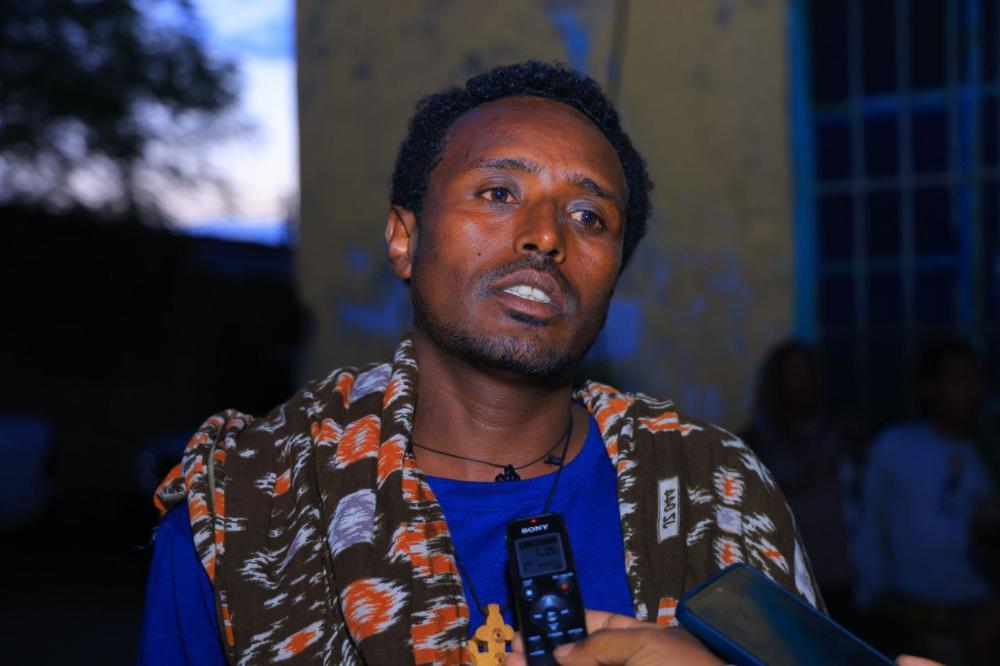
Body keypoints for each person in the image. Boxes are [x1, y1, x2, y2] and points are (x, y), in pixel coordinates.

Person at [138, 61, 824, 665]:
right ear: (404, 240)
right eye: (498, 192)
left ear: (615, 274)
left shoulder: (718, 491)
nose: (546, 236)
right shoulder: (246, 515)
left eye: (590, 217)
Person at [853, 337, 999, 665]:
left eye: (976, 379)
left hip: (979, 611)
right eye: (959, 378)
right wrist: (870, 596)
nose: (971, 390)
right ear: (930, 388)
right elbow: (871, 523)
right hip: (909, 610)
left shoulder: (989, 453)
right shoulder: (896, 447)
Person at [740, 341, 865, 628]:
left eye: (809, 373)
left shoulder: (844, 434)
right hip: (783, 578)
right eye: (793, 374)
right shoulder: (755, 443)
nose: (803, 382)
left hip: (841, 575)